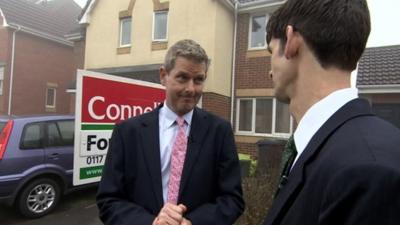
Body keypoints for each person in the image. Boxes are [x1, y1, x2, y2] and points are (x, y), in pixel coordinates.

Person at [263, 0, 400, 224]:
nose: (270, 72)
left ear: (291, 41)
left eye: (271, 51)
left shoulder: (369, 174)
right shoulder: (327, 147)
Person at [97, 39, 244, 225]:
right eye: (182, 78)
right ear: (163, 75)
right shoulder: (127, 132)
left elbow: (232, 199)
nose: (191, 89)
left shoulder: (219, 131)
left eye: (198, 80)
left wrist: (193, 223)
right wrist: (151, 223)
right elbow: (108, 200)